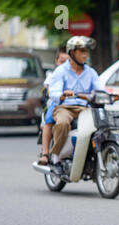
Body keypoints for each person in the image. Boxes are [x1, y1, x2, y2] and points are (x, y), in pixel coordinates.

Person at [48, 36, 103, 173]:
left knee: (100, 125)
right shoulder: (61, 71)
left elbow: (100, 90)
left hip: (85, 108)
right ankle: (56, 157)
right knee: (62, 123)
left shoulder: (91, 73)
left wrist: (113, 96)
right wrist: (62, 94)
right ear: (72, 53)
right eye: (81, 51)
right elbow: (54, 92)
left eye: (86, 52)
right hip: (65, 107)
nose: (85, 55)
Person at [37, 47, 70, 165]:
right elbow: (50, 92)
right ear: (56, 61)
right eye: (62, 61)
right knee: (49, 120)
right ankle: (45, 153)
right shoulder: (52, 75)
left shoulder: (74, 74)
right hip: (56, 104)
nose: (64, 65)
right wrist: (61, 95)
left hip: (73, 105)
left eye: (68, 61)